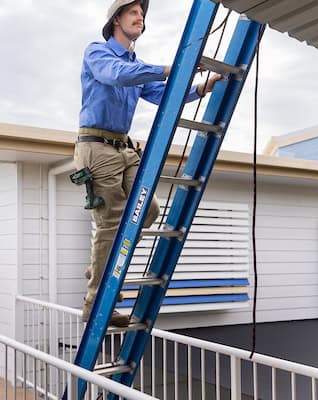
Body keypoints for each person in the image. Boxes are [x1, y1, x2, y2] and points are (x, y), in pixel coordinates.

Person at [75, 0, 222, 327]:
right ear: (116, 19)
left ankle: (100, 262)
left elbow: (161, 94)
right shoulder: (98, 52)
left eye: (142, 14)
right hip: (96, 147)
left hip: (123, 148)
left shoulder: (136, 65)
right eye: (133, 13)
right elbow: (116, 76)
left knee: (150, 210)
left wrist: (201, 88)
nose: (140, 17)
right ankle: (94, 300)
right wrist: (172, 67)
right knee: (111, 221)